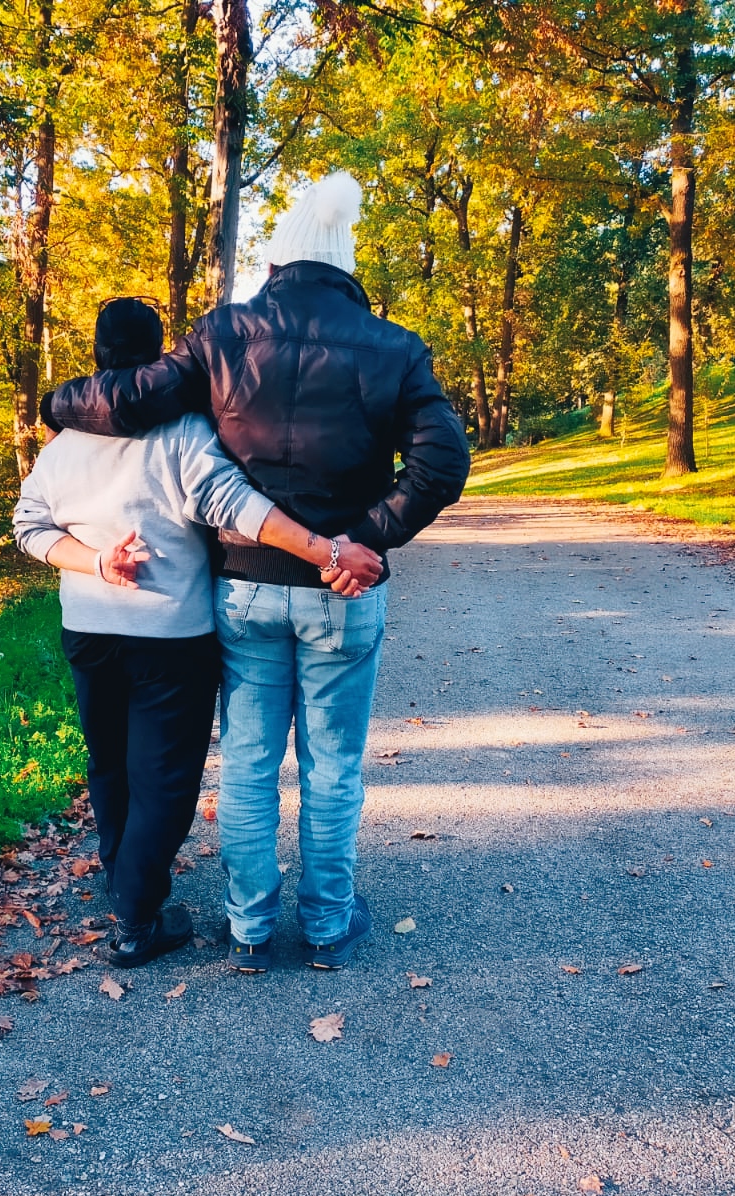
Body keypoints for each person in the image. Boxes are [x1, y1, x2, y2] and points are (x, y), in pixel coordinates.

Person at [41, 174, 470, 972]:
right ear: (347, 269)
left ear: (277, 266)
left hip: (241, 585)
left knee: (246, 760)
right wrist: (362, 542)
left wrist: (59, 402)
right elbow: (444, 462)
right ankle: (328, 926)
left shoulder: (225, 334)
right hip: (340, 592)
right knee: (332, 764)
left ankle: (247, 930)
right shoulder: (394, 347)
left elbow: (132, 400)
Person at [13, 297, 383, 969]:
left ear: (96, 357)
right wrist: (325, 552)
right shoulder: (181, 432)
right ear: (159, 361)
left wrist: (96, 563)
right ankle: (134, 920)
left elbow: (29, 528)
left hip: (88, 631)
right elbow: (238, 508)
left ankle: (128, 890)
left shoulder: (61, 447)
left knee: (110, 766)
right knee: (164, 782)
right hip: (169, 638)